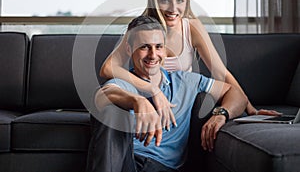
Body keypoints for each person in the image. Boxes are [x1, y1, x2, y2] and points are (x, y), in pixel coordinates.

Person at [100, 0, 281, 142]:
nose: (173, 8)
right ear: (155, 2)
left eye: (180, 0)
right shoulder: (143, 28)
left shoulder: (191, 27)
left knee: (203, 100)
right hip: (145, 102)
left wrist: (250, 109)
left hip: (180, 107)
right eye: (165, 0)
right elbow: (108, 68)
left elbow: (219, 71)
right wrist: (151, 90)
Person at [86, 16, 248, 172]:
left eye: (158, 46)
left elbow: (236, 94)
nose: (153, 54)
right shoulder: (126, 82)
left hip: (162, 166)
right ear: (129, 49)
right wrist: (138, 101)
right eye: (144, 47)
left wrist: (221, 114)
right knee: (110, 111)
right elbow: (102, 96)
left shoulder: (185, 81)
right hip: (125, 163)